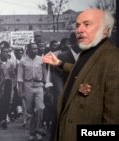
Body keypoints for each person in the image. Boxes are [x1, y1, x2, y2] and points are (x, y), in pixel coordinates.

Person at [42, 9, 119, 141]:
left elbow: (112, 122)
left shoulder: (113, 59)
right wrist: (60, 63)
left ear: (106, 30)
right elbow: (86, 72)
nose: (79, 30)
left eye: (87, 24)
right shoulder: (89, 51)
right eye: (77, 25)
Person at [17, 43, 47, 141]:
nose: (36, 50)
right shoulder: (22, 61)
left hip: (39, 86)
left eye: (36, 48)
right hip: (28, 86)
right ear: (28, 50)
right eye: (33, 49)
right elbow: (20, 78)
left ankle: (38, 131)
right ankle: (31, 132)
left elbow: (45, 74)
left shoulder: (41, 59)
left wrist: (46, 86)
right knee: (30, 111)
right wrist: (20, 91)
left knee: (40, 109)